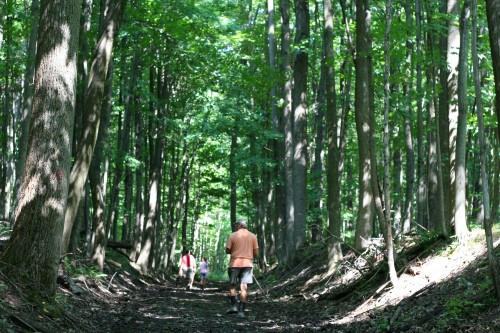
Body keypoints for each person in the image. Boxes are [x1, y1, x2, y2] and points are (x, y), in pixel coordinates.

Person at [225, 220, 259, 318]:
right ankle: (241, 311)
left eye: (236, 225)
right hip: (248, 264)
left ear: (240, 225)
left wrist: (234, 250)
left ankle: (234, 306)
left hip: (235, 263)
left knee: (232, 285)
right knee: (244, 287)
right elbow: (256, 253)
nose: (236, 227)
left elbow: (227, 250)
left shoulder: (233, 235)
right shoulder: (253, 236)